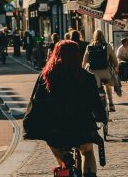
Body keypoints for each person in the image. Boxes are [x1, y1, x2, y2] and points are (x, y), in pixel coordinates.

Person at [32, 40, 106, 177]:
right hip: (82, 128)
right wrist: (102, 117)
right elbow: (95, 103)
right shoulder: (87, 78)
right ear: (77, 55)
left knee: (60, 153)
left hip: (56, 131)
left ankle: (64, 165)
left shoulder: (46, 77)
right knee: (87, 151)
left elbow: (37, 103)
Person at [82, 29, 119, 112]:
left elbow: (84, 62)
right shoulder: (108, 46)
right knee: (107, 84)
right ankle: (111, 104)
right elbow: (115, 61)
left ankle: (96, 105)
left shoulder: (89, 47)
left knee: (96, 87)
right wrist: (116, 68)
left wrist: (84, 69)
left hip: (94, 73)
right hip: (106, 73)